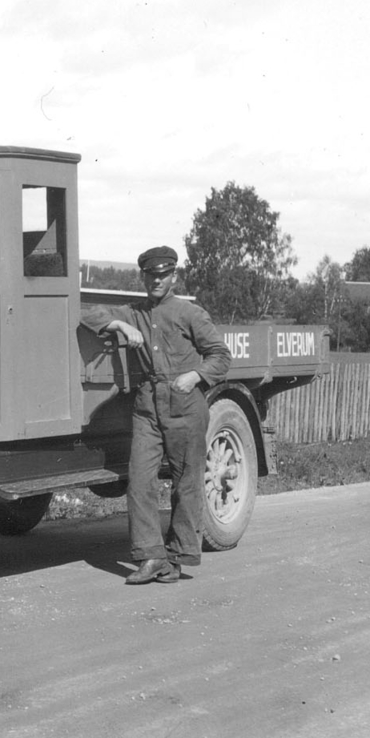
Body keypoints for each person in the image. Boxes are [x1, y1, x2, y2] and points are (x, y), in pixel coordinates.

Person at [80, 246, 231, 584]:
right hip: (147, 407)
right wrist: (119, 324)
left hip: (186, 406)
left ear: (174, 276)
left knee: (186, 484)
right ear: (143, 277)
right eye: (151, 275)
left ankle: (176, 558)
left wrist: (194, 377)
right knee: (140, 480)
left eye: (163, 275)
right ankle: (150, 556)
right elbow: (87, 315)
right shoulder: (134, 312)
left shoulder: (190, 313)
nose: (156, 281)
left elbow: (221, 356)